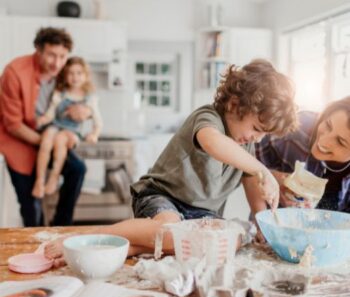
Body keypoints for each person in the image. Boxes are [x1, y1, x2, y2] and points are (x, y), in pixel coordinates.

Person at [44, 59, 297, 267]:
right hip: (162, 198)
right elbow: (213, 143)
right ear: (234, 104)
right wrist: (262, 168)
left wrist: (265, 223)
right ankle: (86, 238)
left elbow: (252, 182)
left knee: (225, 243)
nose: (257, 138)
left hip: (201, 217)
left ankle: (126, 248)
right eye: (256, 128)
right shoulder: (209, 118)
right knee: (169, 231)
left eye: (264, 134)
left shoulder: (246, 146)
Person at [0, 27, 92, 226]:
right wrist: (47, 142)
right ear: (39, 50)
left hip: (51, 135)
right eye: (51, 55)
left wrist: (86, 112)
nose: (57, 63)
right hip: (18, 140)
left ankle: (61, 228)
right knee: (31, 207)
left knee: (77, 169)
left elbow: (81, 96)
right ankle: (35, 245)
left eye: (62, 56)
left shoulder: (63, 71)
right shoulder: (14, 72)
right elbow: (13, 124)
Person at [248, 96, 350, 218]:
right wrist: (273, 179)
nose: (323, 141)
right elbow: (247, 163)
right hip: (272, 218)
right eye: (328, 125)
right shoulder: (297, 126)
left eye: (340, 142)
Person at [32, 57, 102, 199]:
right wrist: (42, 119)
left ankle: (54, 176)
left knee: (60, 139)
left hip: (73, 131)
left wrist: (94, 134)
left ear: (86, 76)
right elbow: (51, 113)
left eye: (79, 73)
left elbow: (98, 121)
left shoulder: (89, 97)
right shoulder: (60, 93)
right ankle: (39, 181)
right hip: (56, 125)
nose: (75, 77)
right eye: (70, 73)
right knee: (46, 140)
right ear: (65, 75)